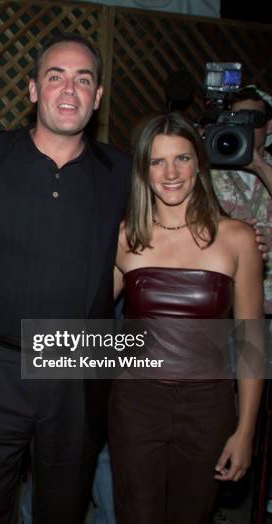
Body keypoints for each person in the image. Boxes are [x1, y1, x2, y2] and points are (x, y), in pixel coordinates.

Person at [0, 32, 131, 523]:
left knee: (62, 510)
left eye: (83, 79)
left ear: (98, 98)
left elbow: (177, 223)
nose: (69, 90)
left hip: (74, 371)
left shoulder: (122, 175)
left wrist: (241, 239)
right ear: (32, 90)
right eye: (55, 76)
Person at [110, 112, 264, 523]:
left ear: (199, 164)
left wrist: (246, 430)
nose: (171, 172)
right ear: (144, 171)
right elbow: (85, 310)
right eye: (157, 162)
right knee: (135, 514)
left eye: (182, 158)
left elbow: (252, 345)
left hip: (207, 405)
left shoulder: (237, 238)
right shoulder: (127, 236)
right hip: (137, 404)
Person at [210, 86, 272, 315]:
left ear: (269, 125)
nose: (244, 126)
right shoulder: (209, 172)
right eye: (237, 119)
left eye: (252, 119)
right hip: (228, 304)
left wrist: (260, 167)